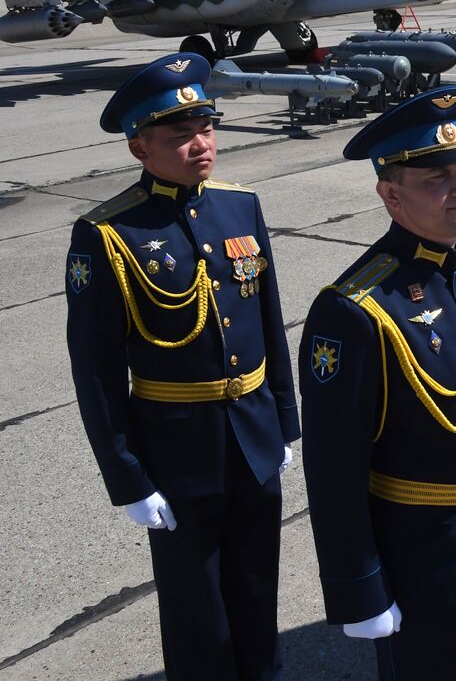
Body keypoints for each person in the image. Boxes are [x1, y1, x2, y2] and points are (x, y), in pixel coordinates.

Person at [65, 53, 299, 680]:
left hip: (253, 436)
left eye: (206, 129)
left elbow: (268, 322)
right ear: (139, 147)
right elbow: (96, 372)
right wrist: (128, 476)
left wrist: (284, 420)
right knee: (198, 615)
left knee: (257, 593)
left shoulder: (240, 206)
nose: (200, 146)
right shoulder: (108, 233)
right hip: (176, 449)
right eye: (179, 137)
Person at [299, 86, 456, 680]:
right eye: (436, 178)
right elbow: (334, 469)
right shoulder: (356, 309)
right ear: (391, 195)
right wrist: (359, 587)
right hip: (427, 561)